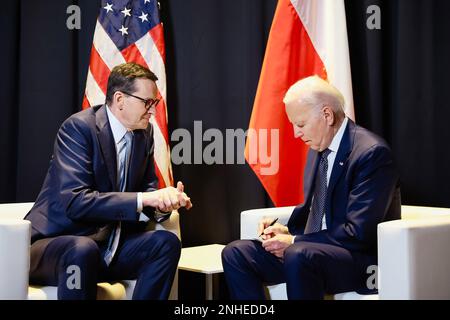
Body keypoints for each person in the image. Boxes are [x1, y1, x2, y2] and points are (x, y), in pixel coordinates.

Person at [222, 75, 401, 299]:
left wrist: (295, 241)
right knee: (236, 253)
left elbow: (359, 233)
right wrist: (285, 231)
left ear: (326, 115)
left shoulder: (371, 153)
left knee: (298, 254)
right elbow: (318, 213)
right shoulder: (319, 147)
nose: (296, 133)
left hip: (359, 261)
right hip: (311, 254)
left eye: (301, 124)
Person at [25, 62, 192, 300]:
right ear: (120, 99)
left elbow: (147, 190)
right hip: (55, 247)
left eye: (154, 103)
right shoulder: (79, 128)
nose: (153, 111)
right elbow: (75, 201)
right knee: (82, 249)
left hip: (107, 248)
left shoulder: (144, 133)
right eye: (147, 102)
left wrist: (163, 203)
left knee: (165, 243)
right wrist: (146, 198)